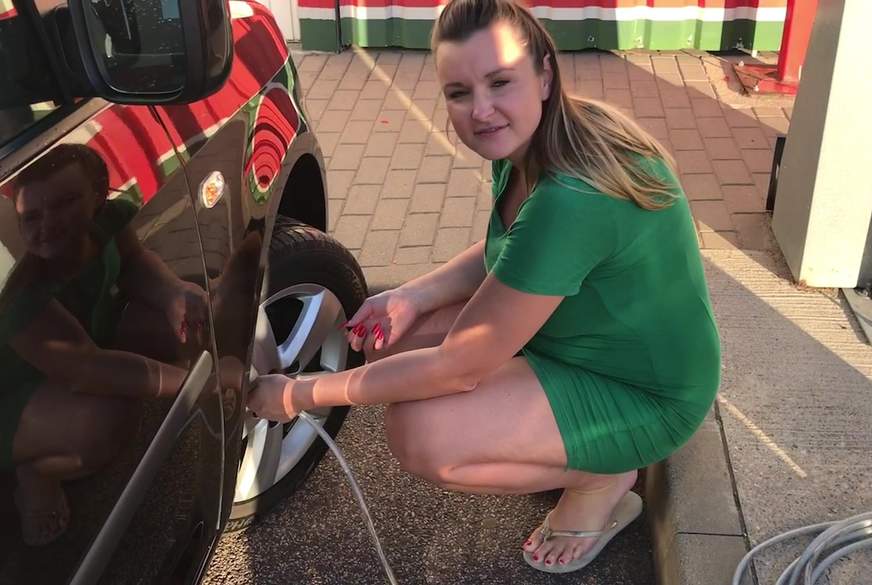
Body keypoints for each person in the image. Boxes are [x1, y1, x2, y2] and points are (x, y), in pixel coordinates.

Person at [248, 0, 720, 573]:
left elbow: (457, 366)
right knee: (390, 341)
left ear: (544, 74)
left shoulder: (573, 198)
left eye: (500, 82)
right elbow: (514, 251)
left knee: (422, 434)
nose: (481, 110)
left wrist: (300, 394)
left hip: (641, 395)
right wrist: (413, 295)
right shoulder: (539, 137)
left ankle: (602, 478)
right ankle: (564, 444)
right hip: (580, 339)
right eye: (459, 92)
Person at [0, 144, 207, 546]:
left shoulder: (107, 221)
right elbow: (86, 368)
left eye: (65, 202)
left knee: (190, 320)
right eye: (32, 216)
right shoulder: (20, 291)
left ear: (98, 195)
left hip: (80, 351)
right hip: (14, 391)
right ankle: (36, 470)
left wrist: (173, 293)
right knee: (106, 419)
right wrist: (196, 385)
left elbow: (133, 262)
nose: (49, 224)